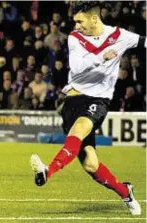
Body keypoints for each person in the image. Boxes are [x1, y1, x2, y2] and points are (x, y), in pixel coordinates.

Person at [30, 2, 145, 215]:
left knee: (78, 130)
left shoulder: (120, 35)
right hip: (72, 101)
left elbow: (144, 43)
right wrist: (102, 57)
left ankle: (48, 171)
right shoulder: (75, 38)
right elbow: (78, 67)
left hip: (98, 100)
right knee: (91, 165)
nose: (76, 25)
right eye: (75, 21)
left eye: (80, 21)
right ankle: (125, 192)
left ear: (94, 19)